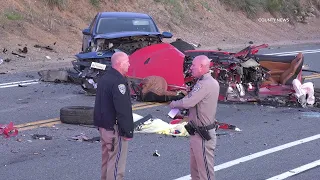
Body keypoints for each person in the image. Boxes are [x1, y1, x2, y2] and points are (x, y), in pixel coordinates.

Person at [169, 55, 220, 180]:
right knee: (196, 171)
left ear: (202, 67)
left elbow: (189, 102)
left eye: (193, 65)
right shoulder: (205, 82)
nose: (191, 68)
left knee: (204, 173)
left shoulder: (204, 84)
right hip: (197, 132)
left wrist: (174, 104)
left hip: (202, 134)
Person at [93, 51, 134, 180]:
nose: (129, 64)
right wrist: (127, 131)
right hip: (114, 129)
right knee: (117, 165)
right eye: (127, 62)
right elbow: (123, 109)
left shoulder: (105, 78)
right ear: (119, 64)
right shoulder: (118, 82)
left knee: (106, 162)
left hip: (104, 127)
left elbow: (99, 103)